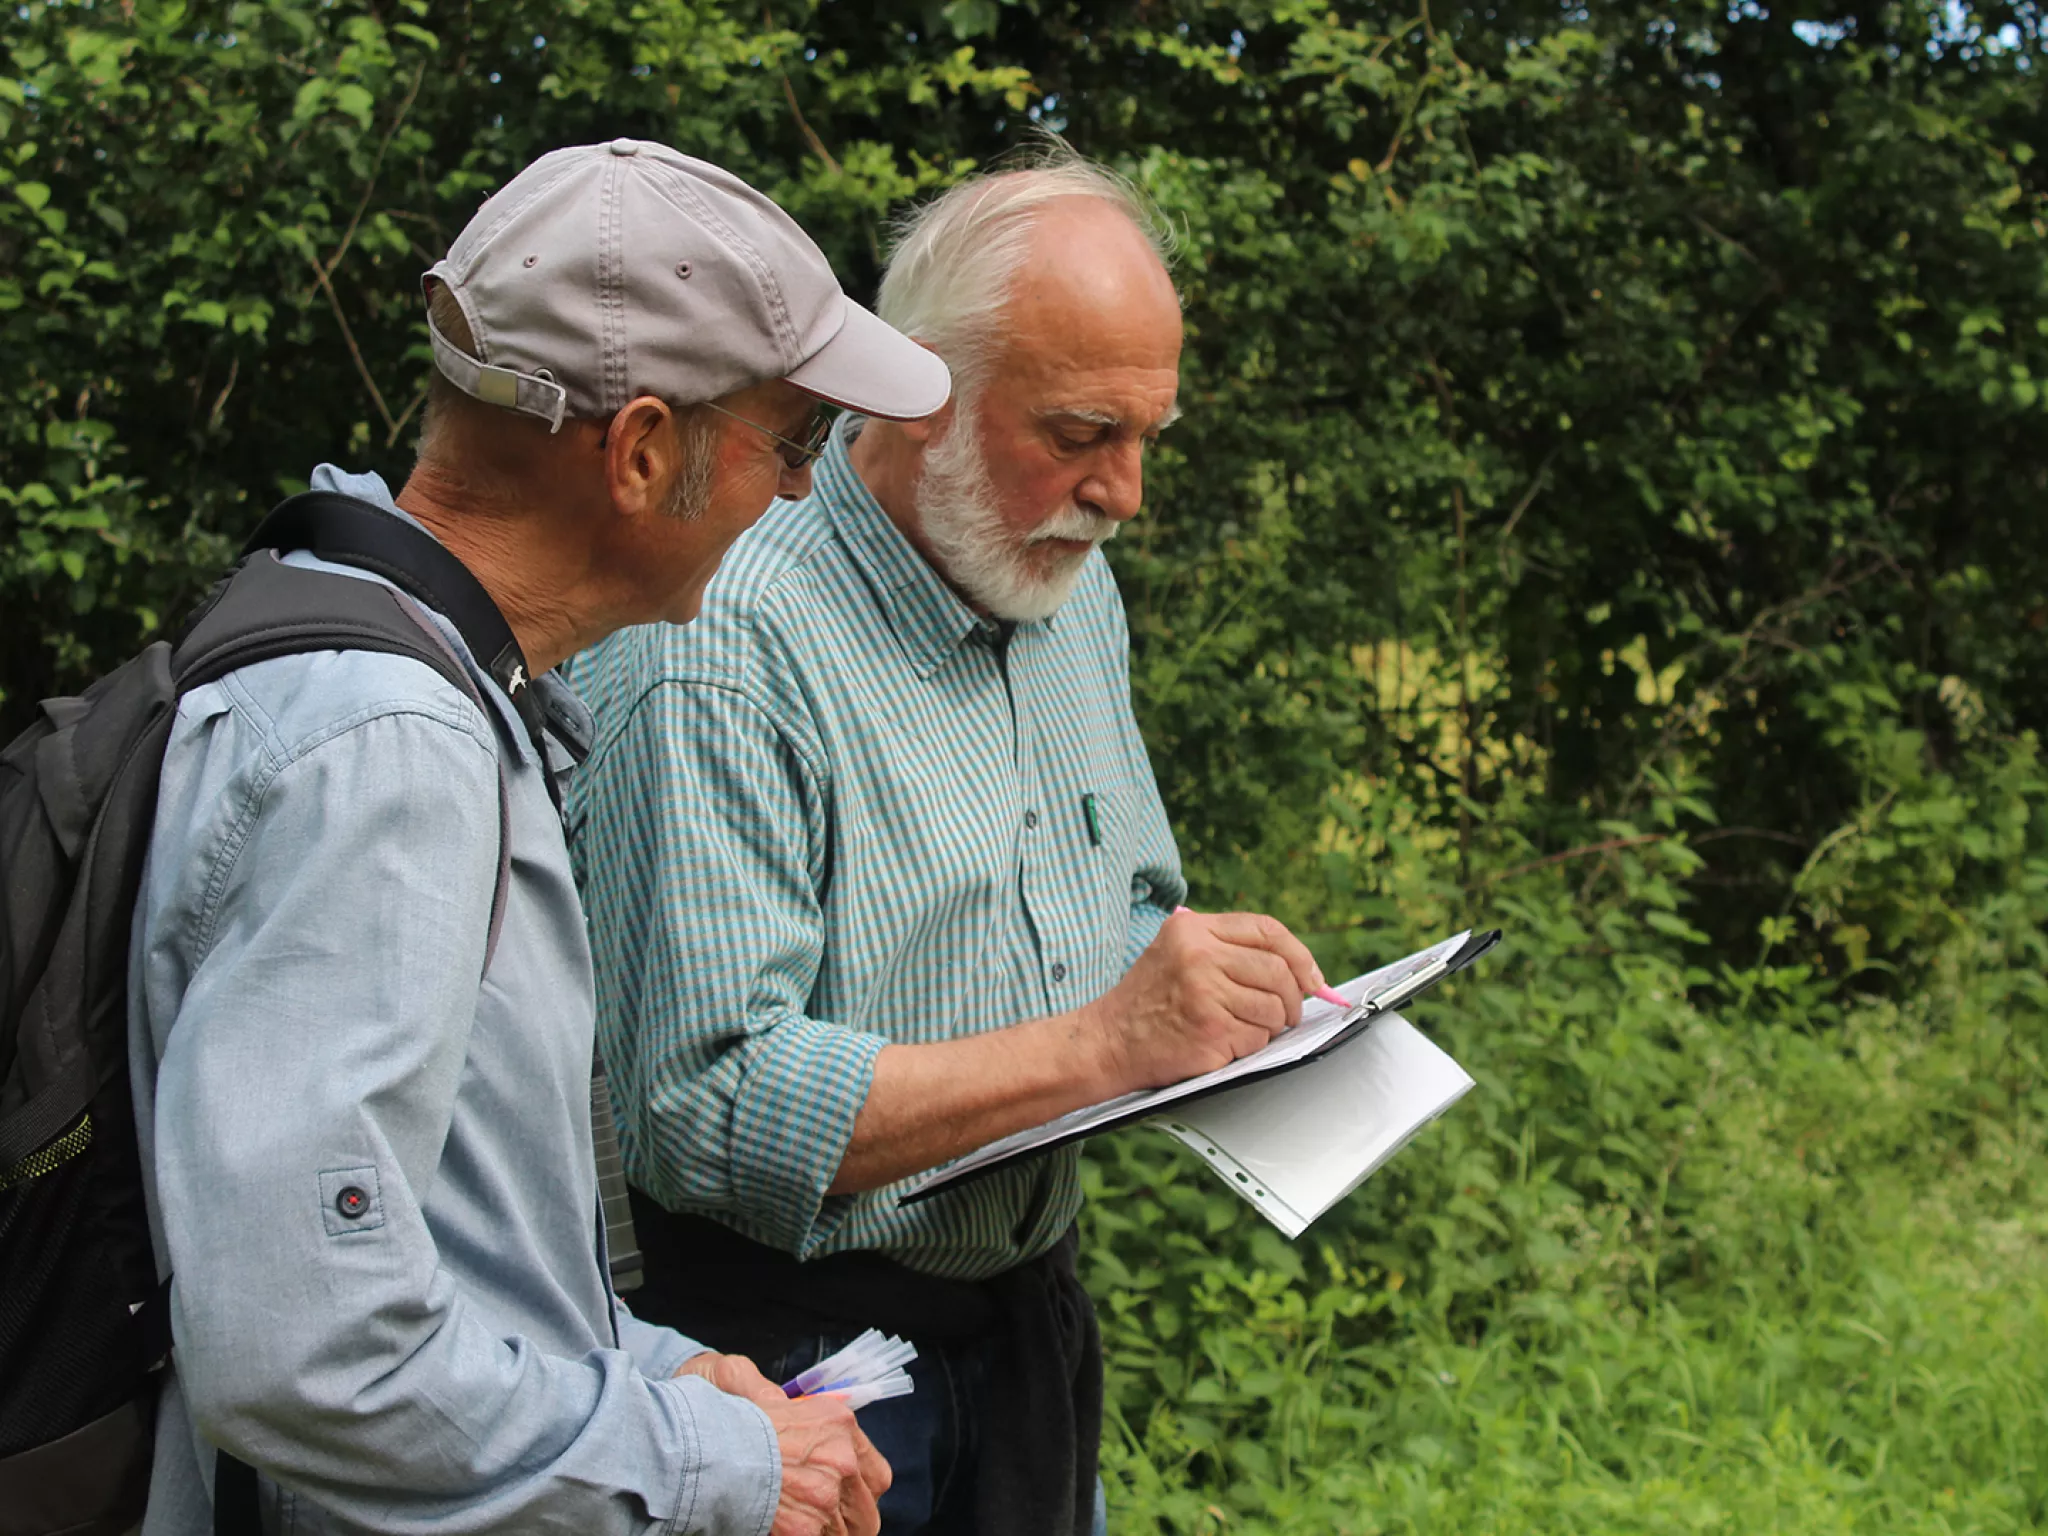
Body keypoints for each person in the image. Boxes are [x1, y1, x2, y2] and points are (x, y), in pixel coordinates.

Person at [128, 138, 950, 1536]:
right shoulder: (389, 754)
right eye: (795, 439)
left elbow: (430, 1259)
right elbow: (305, 1354)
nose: (802, 491)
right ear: (640, 451)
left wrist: (668, 1376)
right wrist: (714, 1466)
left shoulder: (374, 650)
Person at [566, 147, 1332, 1536]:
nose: (1125, 494)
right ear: (914, 396)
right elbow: (703, 1107)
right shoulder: (724, 646)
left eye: (1148, 436)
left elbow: (1123, 904)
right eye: (1082, 433)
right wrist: (1106, 1045)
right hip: (792, 1385)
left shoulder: (1058, 580)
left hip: (1025, 1339)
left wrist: (1220, 1005)